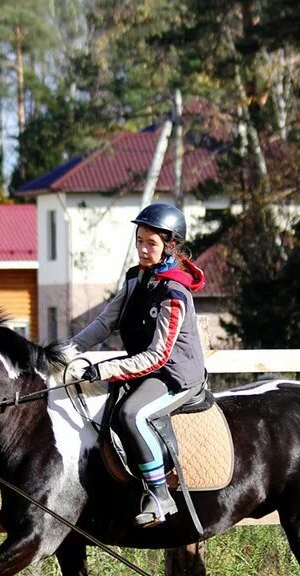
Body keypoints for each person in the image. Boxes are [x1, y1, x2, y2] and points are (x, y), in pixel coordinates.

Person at [62, 202, 207, 527]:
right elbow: (104, 323)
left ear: (171, 246)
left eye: (151, 243)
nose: (142, 249)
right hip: (145, 366)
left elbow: (158, 356)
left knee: (132, 413)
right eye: (139, 241)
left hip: (175, 375)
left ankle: (159, 495)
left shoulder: (173, 293)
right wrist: (68, 349)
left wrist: (105, 369)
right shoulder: (136, 279)